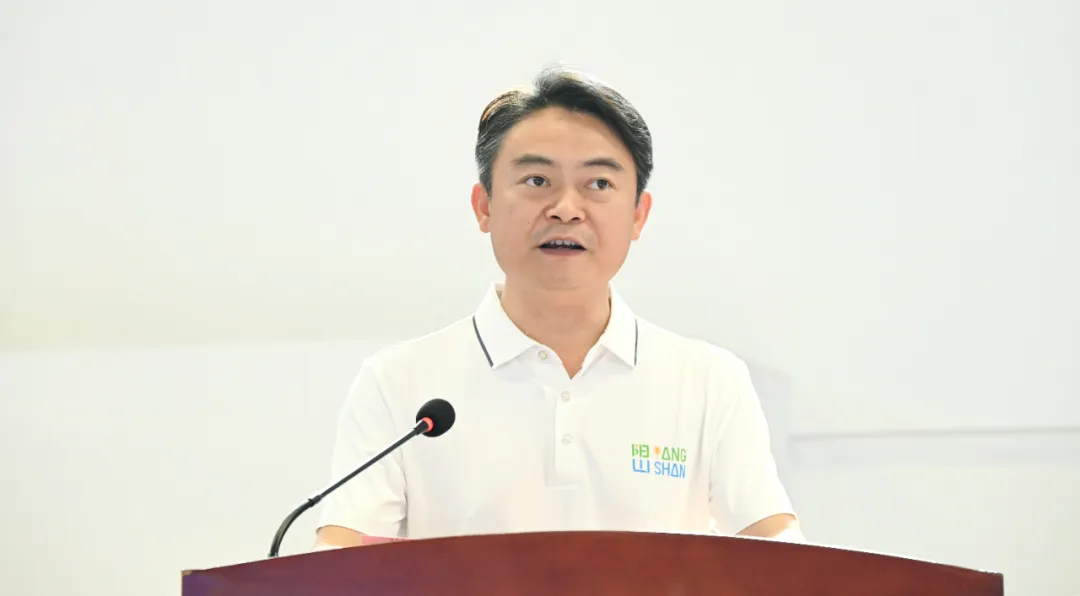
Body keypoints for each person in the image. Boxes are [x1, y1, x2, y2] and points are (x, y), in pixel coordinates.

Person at [314, 66, 802, 549]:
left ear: (638, 215)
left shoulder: (709, 381)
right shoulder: (399, 385)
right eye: (536, 180)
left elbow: (780, 548)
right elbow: (340, 558)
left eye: (599, 184)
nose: (566, 208)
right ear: (484, 206)